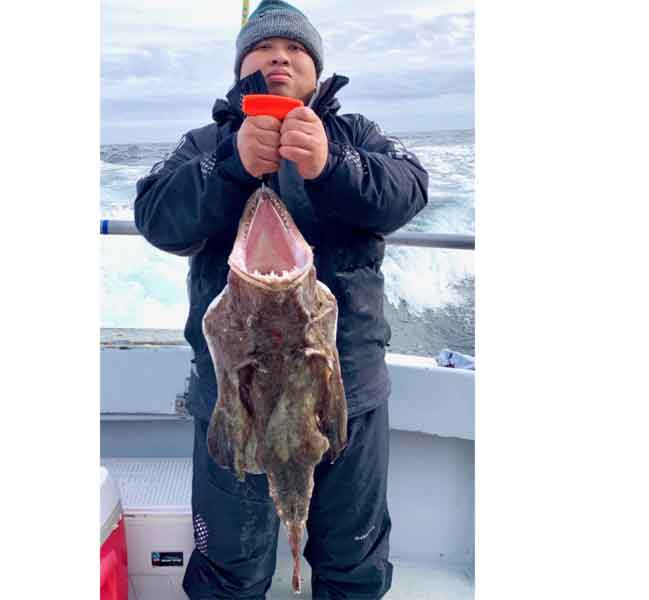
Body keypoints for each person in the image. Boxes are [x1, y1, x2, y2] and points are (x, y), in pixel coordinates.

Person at [134, 1, 429, 597]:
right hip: (235, 395)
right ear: (242, 66)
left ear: (315, 71)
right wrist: (230, 165)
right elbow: (157, 217)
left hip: (347, 392)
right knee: (229, 570)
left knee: (354, 563)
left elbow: (408, 190)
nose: (280, 56)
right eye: (264, 48)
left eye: (295, 50)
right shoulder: (204, 143)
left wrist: (332, 164)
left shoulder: (357, 135)